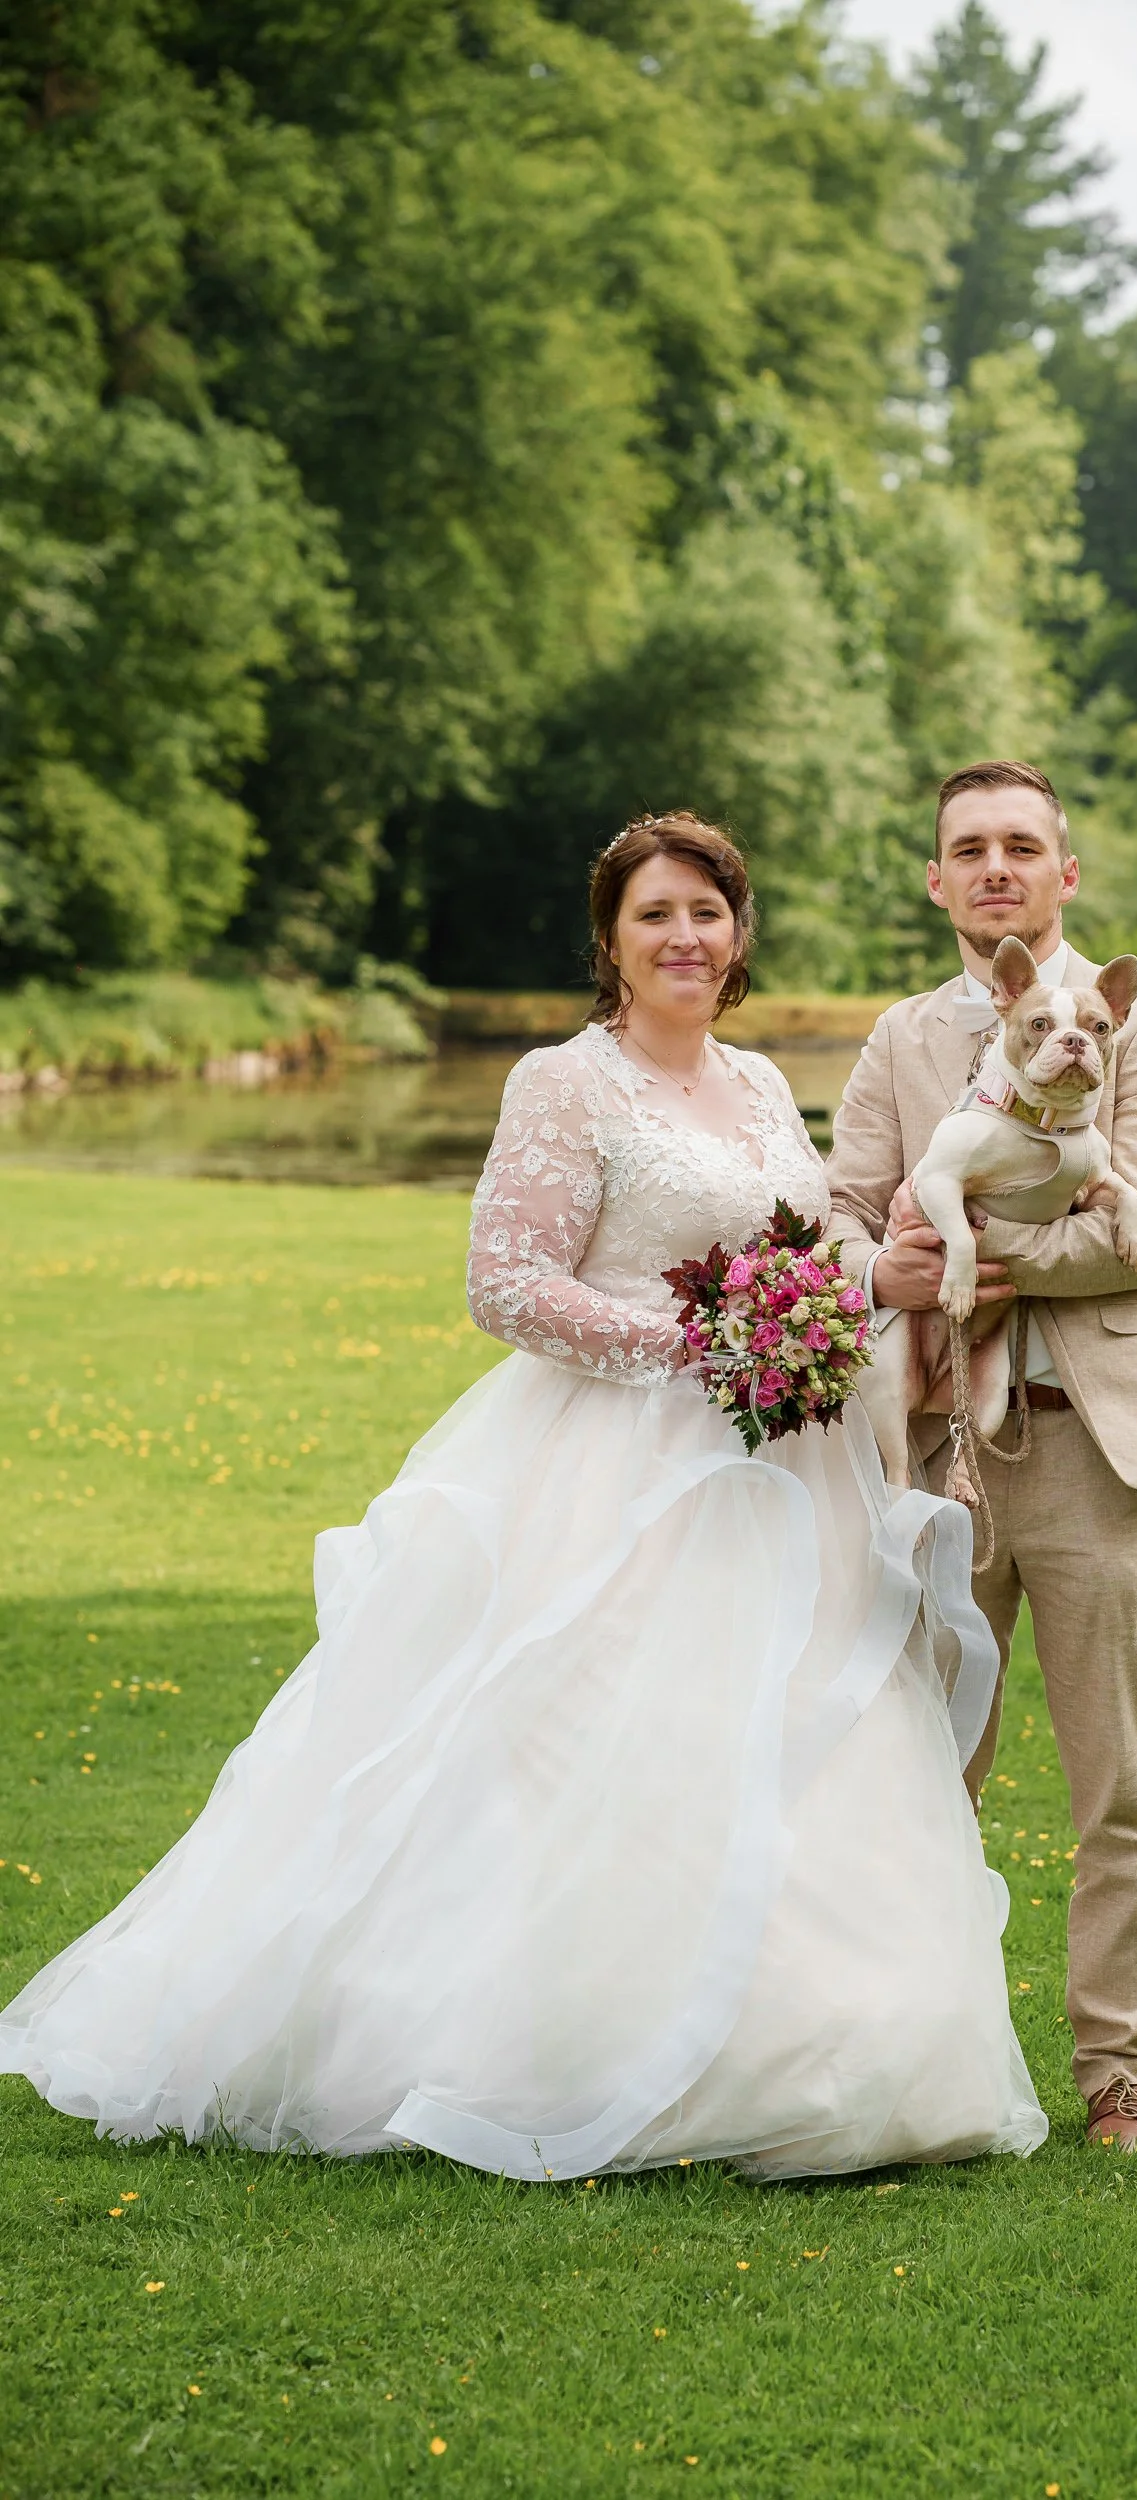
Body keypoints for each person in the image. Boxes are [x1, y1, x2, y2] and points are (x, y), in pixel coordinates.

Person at [0, 814, 1044, 2181]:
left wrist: (845, 1297)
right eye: (656, 915)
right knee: (592, 1754)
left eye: (708, 915)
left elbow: (798, 1257)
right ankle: (560, 2050)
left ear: (739, 938)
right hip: (613, 1472)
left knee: (788, 1748)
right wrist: (704, 1347)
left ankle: (835, 2057)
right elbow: (506, 1285)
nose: (685, 939)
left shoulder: (754, 1081)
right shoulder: (565, 1083)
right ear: (610, 940)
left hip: (778, 1473)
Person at [824, 761, 1137, 2152]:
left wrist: (978, 1268)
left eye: (1021, 847)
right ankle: (912, 2063)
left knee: (1118, 1784)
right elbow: (840, 1214)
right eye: (967, 850)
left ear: (1065, 872)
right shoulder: (899, 1039)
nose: (996, 868)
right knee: (923, 1772)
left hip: (1096, 1451)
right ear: (937, 882)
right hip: (934, 1451)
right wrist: (889, 1268)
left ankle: (1120, 2081)